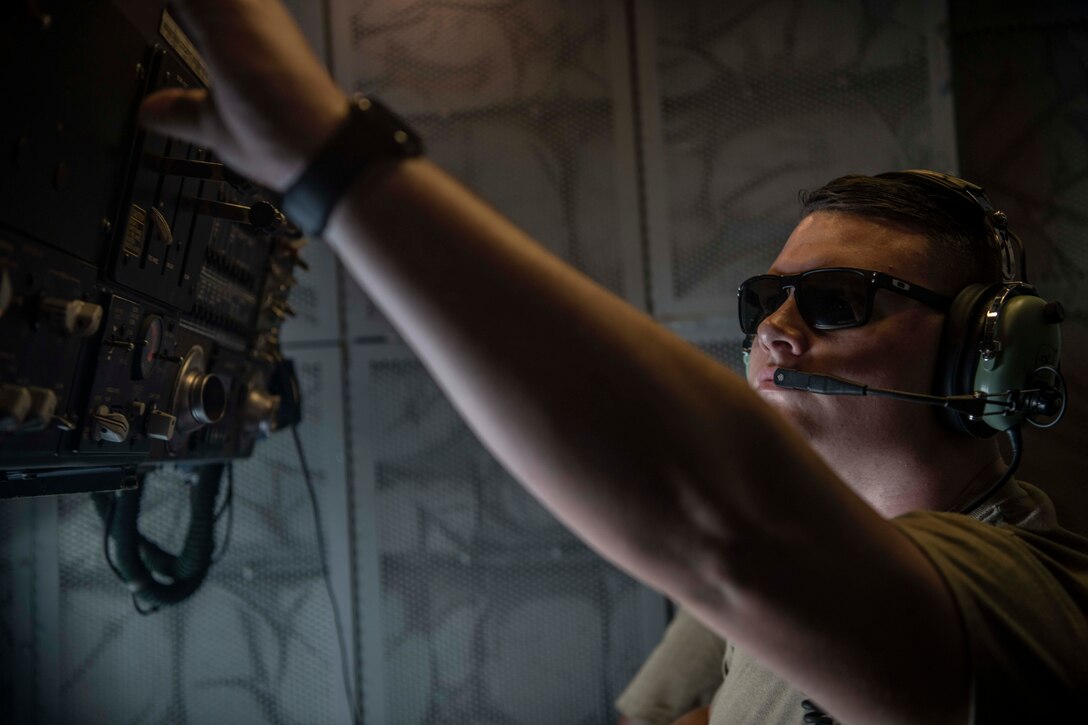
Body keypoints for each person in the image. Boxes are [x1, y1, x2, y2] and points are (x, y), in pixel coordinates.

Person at [140, 1, 1088, 722]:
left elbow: (724, 530)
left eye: (838, 302)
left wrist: (328, 160)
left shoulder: (1031, 599)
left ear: (983, 356)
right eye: (766, 300)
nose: (776, 332)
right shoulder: (774, 573)